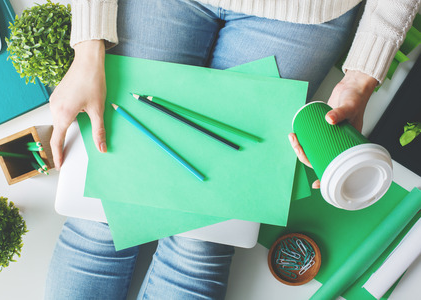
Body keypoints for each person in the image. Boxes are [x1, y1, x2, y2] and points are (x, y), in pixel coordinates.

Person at [45, 0, 420, 299]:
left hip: (303, 14)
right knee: (101, 218)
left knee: (205, 240)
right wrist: (88, 48)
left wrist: (361, 78)